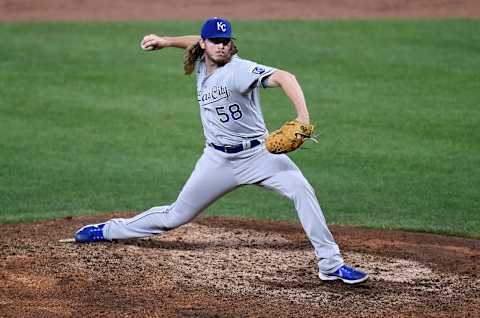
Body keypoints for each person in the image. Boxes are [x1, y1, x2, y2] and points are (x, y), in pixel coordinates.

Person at [74, 17, 368, 285]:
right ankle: (108, 230)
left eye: (226, 41)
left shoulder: (240, 70)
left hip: (260, 156)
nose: (222, 46)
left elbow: (286, 77)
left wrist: (303, 118)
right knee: (175, 216)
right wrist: (165, 41)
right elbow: (192, 40)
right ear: (204, 44)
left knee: (302, 191)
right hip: (217, 160)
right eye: (215, 40)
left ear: (232, 44)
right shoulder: (202, 59)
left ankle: (330, 264)